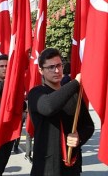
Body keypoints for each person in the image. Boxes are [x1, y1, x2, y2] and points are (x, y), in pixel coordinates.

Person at [28, 48, 94, 176]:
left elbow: (89, 126)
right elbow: (49, 107)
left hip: (71, 166)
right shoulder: (36, 93)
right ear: (41, 70)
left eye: (59, 65)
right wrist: (75, 82)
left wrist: (79, 137)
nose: (56, 70)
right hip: (46, 168)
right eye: (51, 67)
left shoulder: (74, 95)